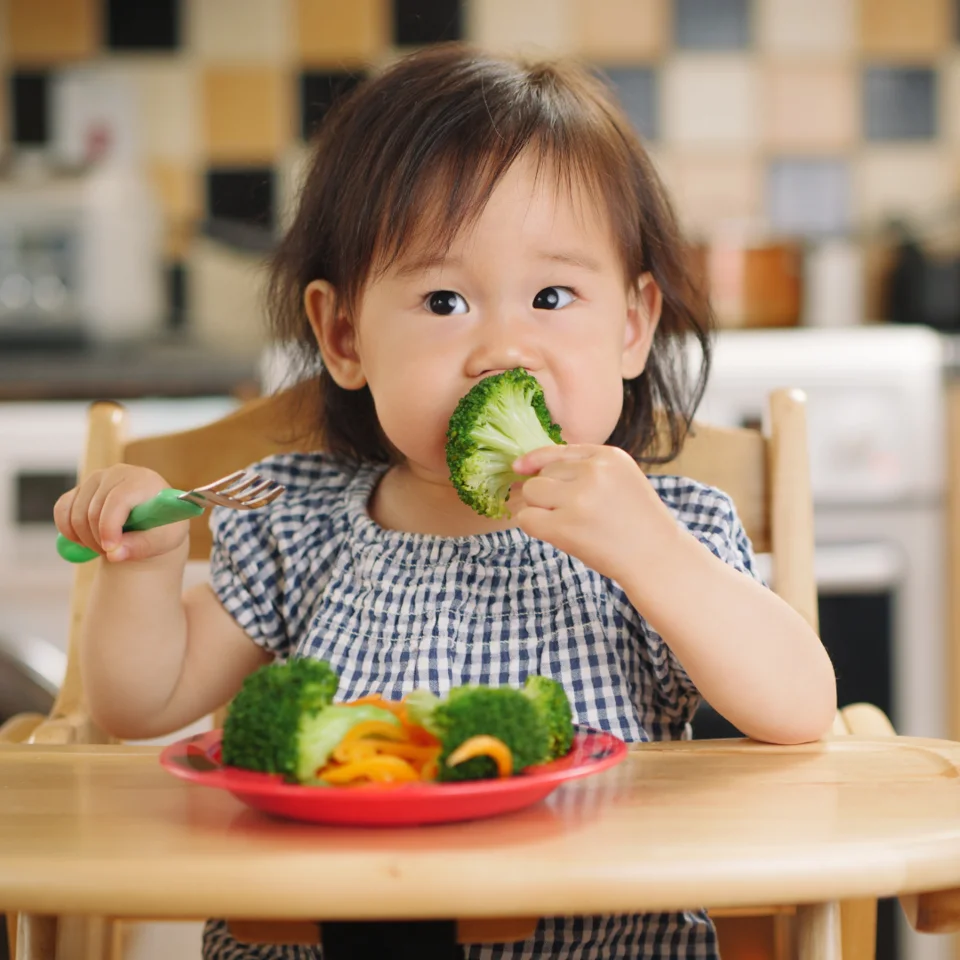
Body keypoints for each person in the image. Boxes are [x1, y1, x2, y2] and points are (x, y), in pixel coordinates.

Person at [54, 43, 836, 960]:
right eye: (442, 300)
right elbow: (141, 703)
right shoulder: (298, 522)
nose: (503, 351)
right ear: (343, 335)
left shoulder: (671, 531)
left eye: (552, 295)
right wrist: (143, 569)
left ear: (631, 325)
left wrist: (652, 554)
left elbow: (799, 708)